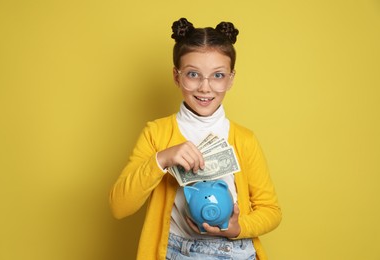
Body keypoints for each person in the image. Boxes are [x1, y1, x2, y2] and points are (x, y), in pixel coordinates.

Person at [109, 17, 282, 260]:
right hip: (175, 251)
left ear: (231, 79)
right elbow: (119, 206)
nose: (205, 87)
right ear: (176, 76)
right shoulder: (157, 133)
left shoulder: (244, 140)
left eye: (218, 76)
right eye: (193, 74)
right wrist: (162, 159)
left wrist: (237, 228)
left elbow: (271, 211)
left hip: (236, 251)